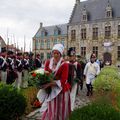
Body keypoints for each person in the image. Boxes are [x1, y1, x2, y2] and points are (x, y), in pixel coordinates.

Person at [37, 43, 71, 120]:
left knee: (60, 108)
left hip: (61, 90)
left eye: (57, 53)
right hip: (51, 89)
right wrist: (43, 83)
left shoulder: (64, 64)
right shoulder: (48, 62)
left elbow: (63, 80)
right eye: (54, 53)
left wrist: (49, 84)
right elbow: (44, 75)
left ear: (60, 54)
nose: (55, 55)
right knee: (50, 108)